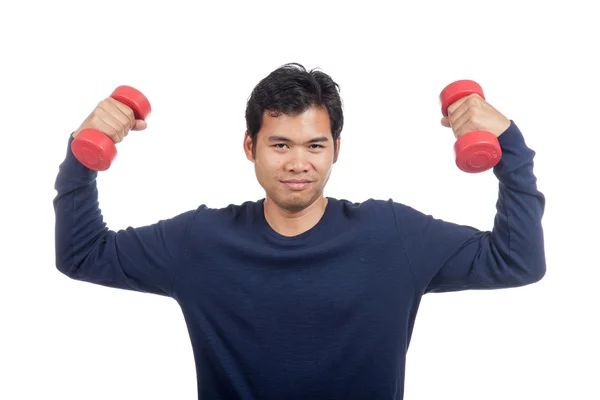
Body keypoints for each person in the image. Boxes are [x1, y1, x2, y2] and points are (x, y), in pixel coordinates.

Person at [53, 63, 546, 400]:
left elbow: (517, 260)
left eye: (314, 145)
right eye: (280, 144)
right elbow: (82, 254)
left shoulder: (393, 236)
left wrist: (509, 146)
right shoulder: (199, 242)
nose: (297, 163)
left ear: (336, 148)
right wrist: (83, 151)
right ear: (250, 146)